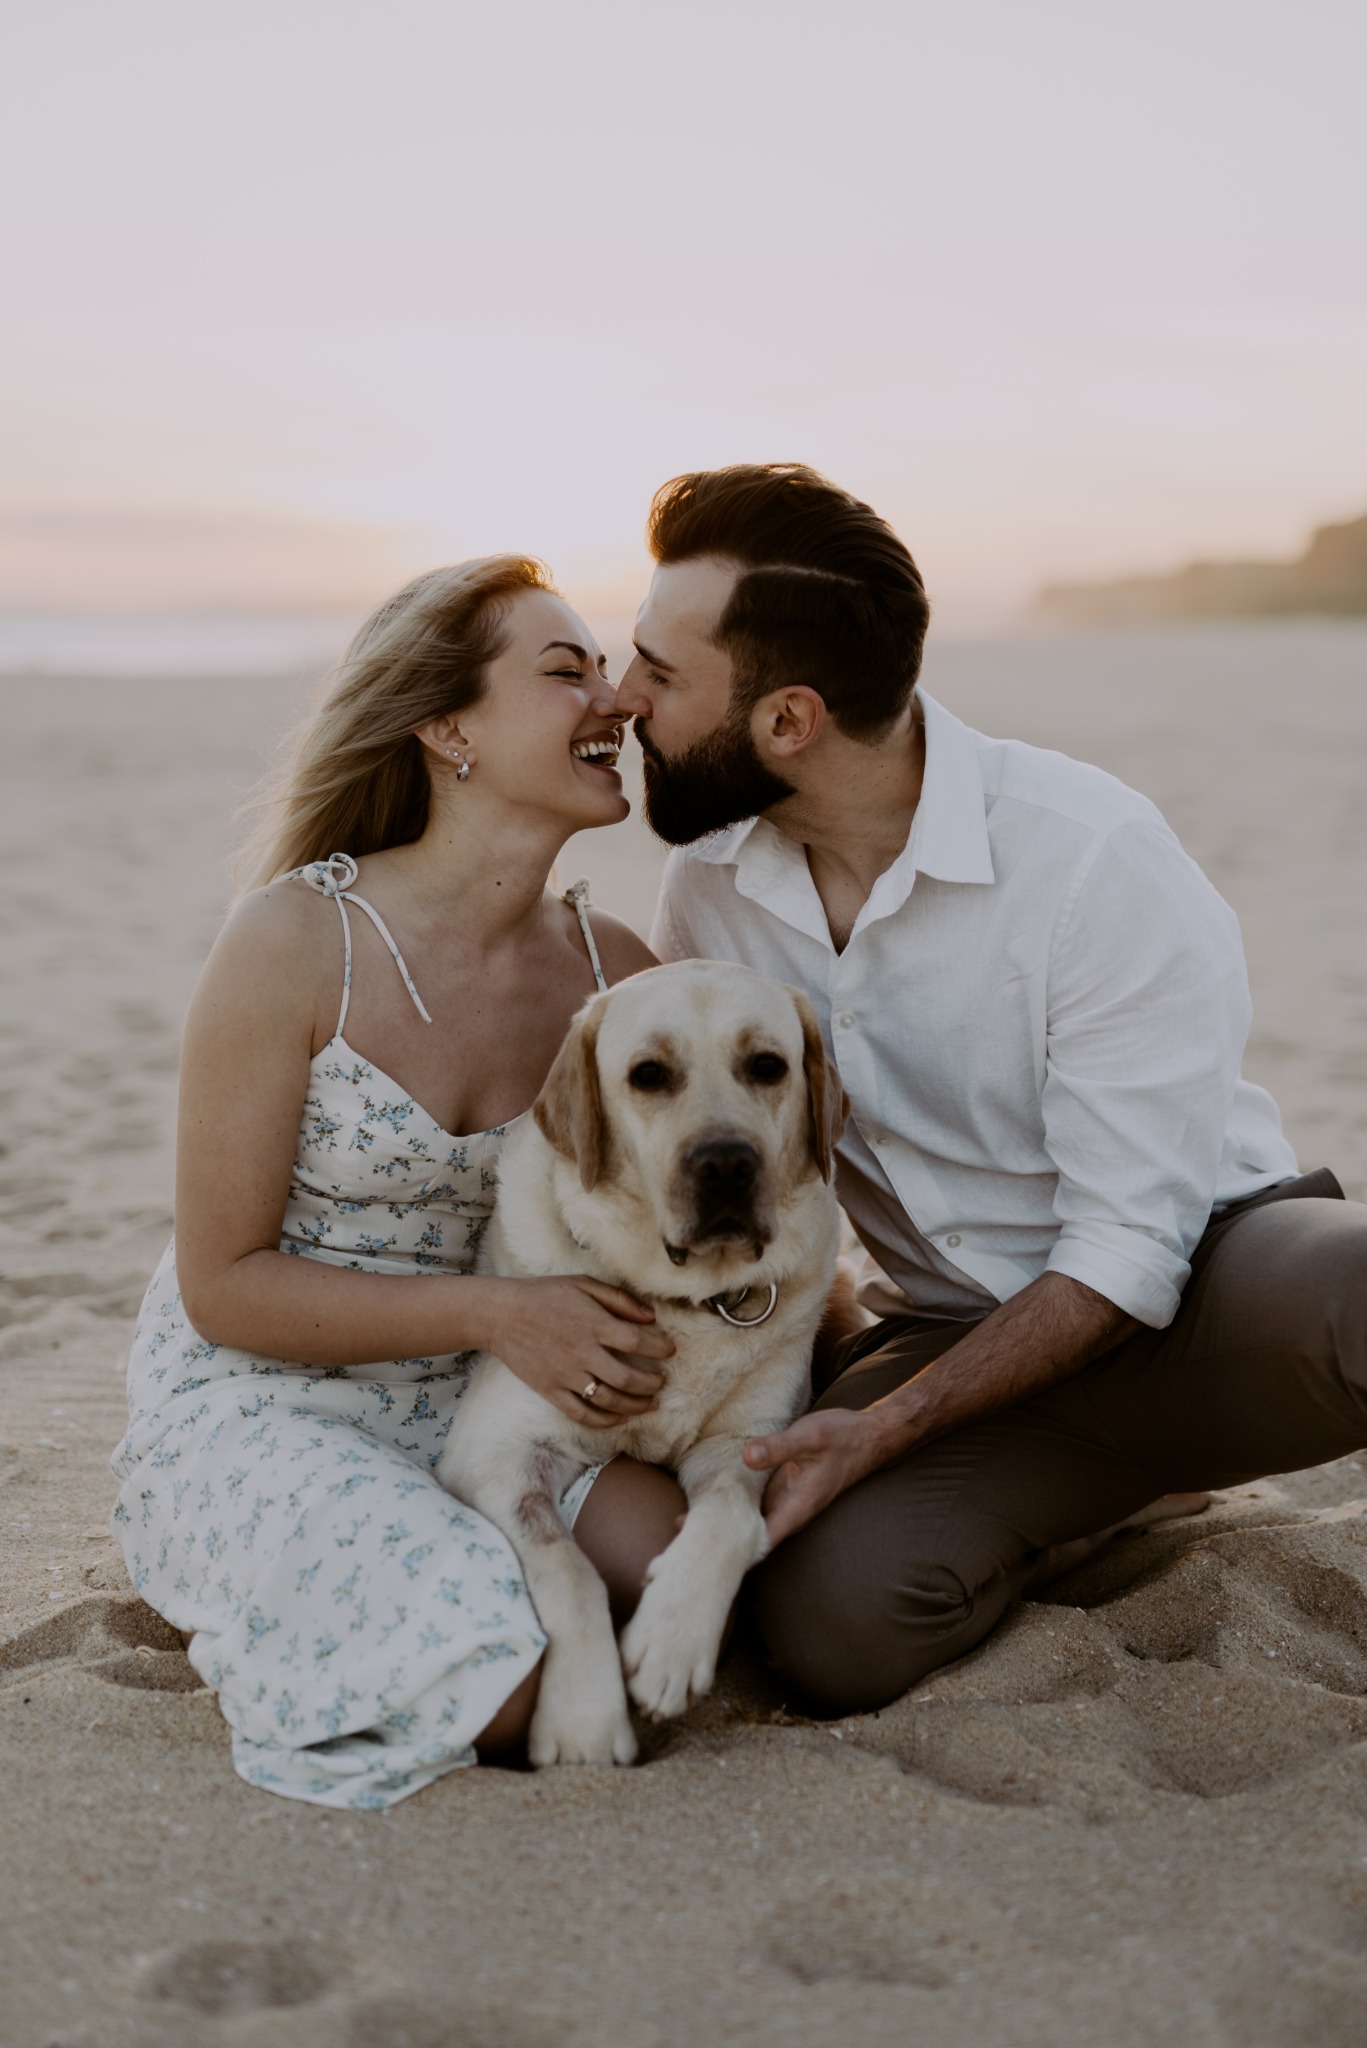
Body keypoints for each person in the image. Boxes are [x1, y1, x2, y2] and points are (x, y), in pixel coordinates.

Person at [614, 462, 1367, 1715]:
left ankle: (1140, 1462)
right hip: (959, 1337)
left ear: (787, 720)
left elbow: (1131, 1245)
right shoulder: (709, 887)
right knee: (831, 1628)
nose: (623, 694)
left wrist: (887, 1424)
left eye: (658, 669)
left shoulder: (1086, 854)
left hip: (1206, 1286)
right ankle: (1112, 1499)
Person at [111, 555, 686, 1807]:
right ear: (446, 729)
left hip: (490, 1398)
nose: (615, 701)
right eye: (566, 672)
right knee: (507, 1676)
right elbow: (223, 1285)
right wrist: (498, 1312)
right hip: (268, 1394)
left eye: (607, 670)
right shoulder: (294, 939)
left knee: (683, 1571)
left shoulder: (618, 974)